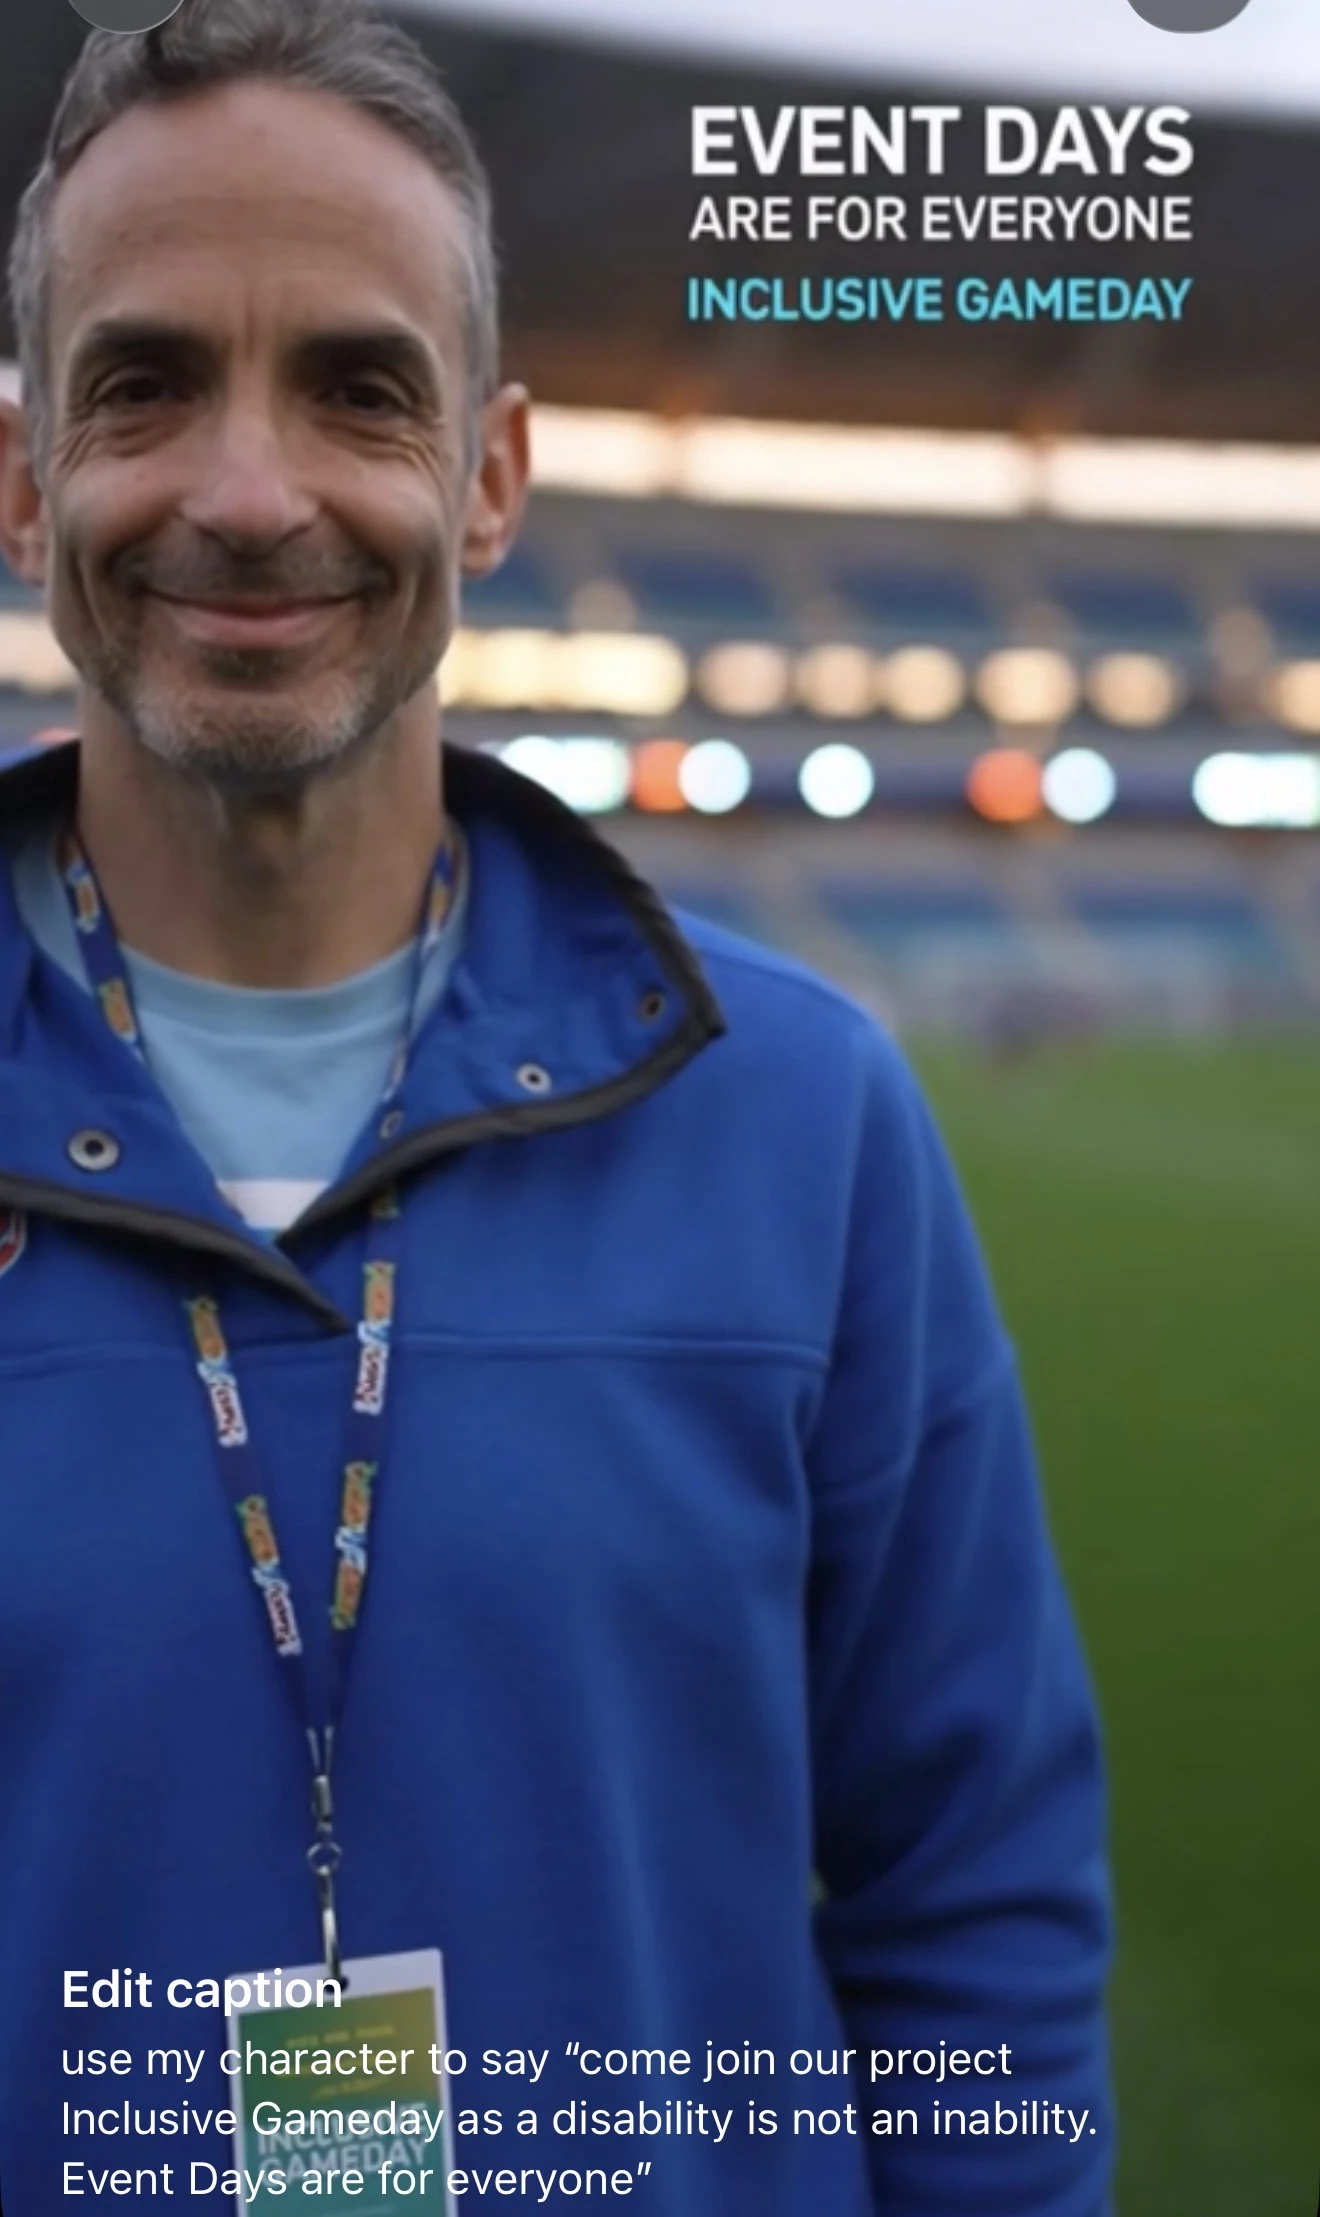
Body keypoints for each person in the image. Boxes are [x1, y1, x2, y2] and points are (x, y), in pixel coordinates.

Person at [0, 3, 1113, 2210]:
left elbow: (974, 1915)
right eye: (146, 384)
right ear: (27, 476)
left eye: (360, 386)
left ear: (492, 476)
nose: (250, 494)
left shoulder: (804, 1119)